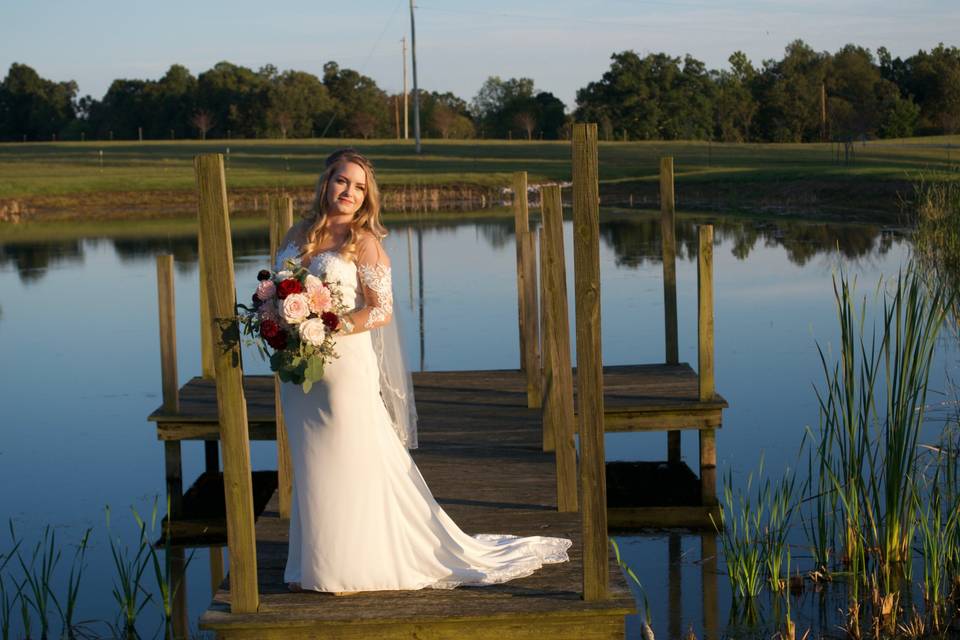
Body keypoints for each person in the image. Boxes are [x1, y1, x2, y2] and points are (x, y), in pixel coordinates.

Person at [276, 149, 571, 595]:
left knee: (347, 458)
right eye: (342, 181)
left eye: (359, 187)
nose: (349, 193)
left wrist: (330, 325)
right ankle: (315, 563)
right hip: (298, 373)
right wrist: (279, 319)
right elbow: (279, 290)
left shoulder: (366, 242)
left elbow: (381, 311)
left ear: (367, 196)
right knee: (313, 462)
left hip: (343, 370)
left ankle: (349, 566)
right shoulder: (298, 234)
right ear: (325, 183)